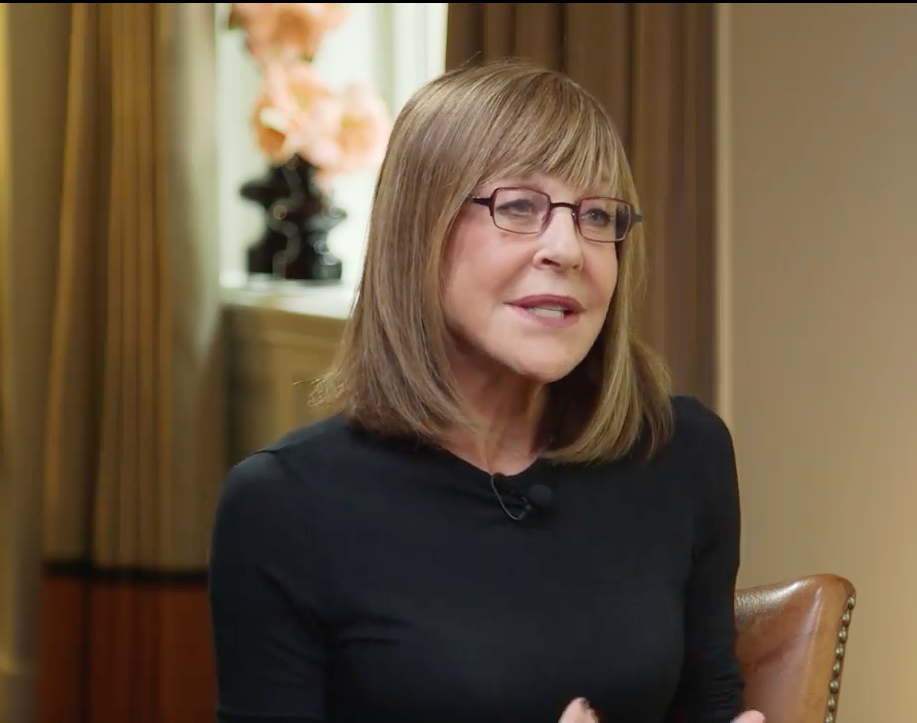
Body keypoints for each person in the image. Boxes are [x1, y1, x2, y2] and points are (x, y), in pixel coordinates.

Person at [207, 58, 764, 723]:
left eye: (597, 215)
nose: (568, 248)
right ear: (418, 233)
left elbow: (711, 707)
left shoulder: (681, 453)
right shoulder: (283, 505)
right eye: (520, 206)